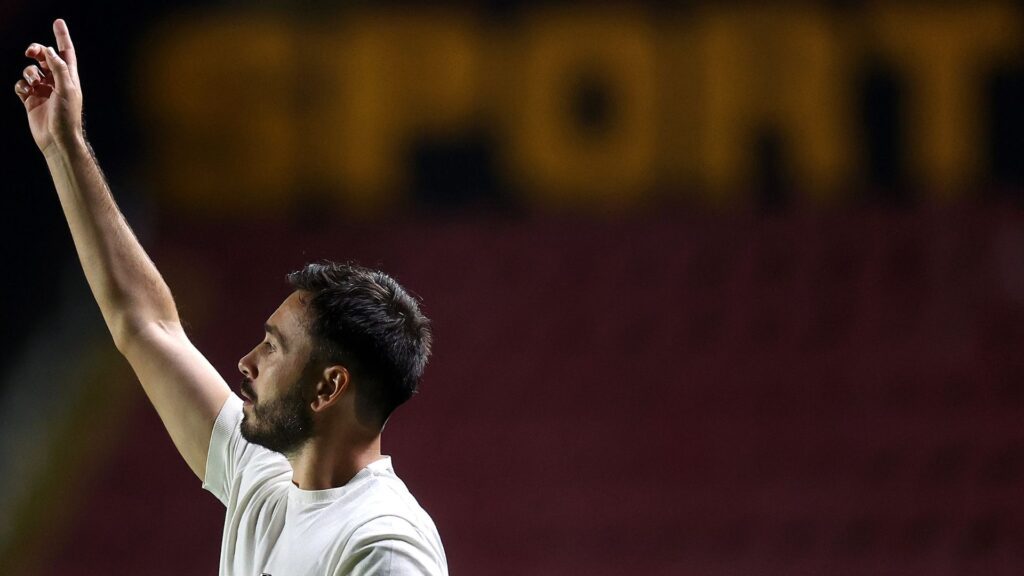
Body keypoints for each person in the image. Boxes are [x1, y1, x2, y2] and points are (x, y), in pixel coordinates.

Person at [14, 19, 448, 575]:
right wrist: (64, 146)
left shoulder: (383, 546)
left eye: (273, 347)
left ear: (329, 385)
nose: (245, 363)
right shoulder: (263, 482)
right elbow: (145, 322)